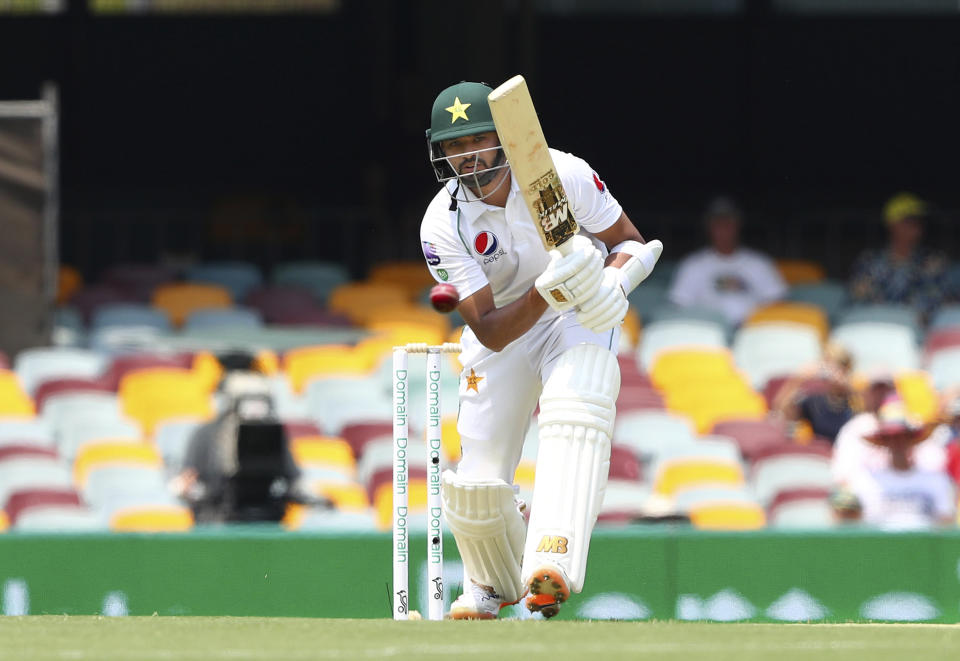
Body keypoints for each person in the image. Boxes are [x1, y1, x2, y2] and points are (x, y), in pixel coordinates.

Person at [419, 81, 662, 619]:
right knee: (477, 479)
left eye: (478, 139)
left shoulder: (561, 173)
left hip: (577, 315)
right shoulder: (442, 222)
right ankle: (488, 585)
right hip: (511, 324)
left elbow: (627, 242)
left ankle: (551, 561)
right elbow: (489, 329)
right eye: (455, 146)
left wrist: (613, 287)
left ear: (506, 136)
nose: (467, 155)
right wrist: (544, 291)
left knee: (576, 410)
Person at [667, 196, 787, 326]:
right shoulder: (693, 265)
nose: (723, 229)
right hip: (707, 334)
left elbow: (777, 304)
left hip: (752, 334)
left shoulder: (760, 263)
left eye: (728, 223)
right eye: (718, 224)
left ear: (738, 224)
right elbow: (679, 307)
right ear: (709, 227)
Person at [847, 396, 956, 530]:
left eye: (902, 436)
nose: (897, 443)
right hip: (880, 548)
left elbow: (946, 524)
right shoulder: (865, 480)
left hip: (923, 547)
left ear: (911, 438)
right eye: (891, 437)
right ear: (884, 441)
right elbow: (849, 521)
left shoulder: (936, 480)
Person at [847, 192, 949, 324]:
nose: (917, 225)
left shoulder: (933, 261)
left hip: (919, 332)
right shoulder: (869, 261)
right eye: (910, 220)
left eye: (920, 220)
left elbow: (940, 301)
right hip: (876, 328)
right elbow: (855, 302)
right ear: (892, 224)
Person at [832, 370, 945, 488]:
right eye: (876, 390)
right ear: (867, 394)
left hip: (915, 494)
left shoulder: (914, 423)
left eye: (887, 389)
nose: (882, 394)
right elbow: (843, 475)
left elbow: (935, 465)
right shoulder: (855, 429)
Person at [771, 342, 855, 443]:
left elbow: (863, 406)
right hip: (821, 452)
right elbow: (782, 411)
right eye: (825, 364)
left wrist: (844, 387)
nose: (828, 372)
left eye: (833, 365)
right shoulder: (816, 399)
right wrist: (797, 379)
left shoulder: (855, 394)